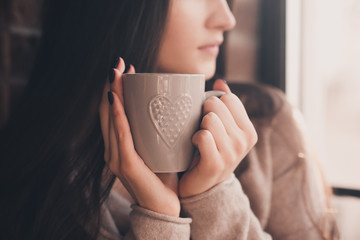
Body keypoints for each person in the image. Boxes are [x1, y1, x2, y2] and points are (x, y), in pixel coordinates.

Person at [0, 0, 338, 239]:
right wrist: (157, 217)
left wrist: (216, 198)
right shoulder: (41, 182)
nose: (227, 18)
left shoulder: (267, 122)